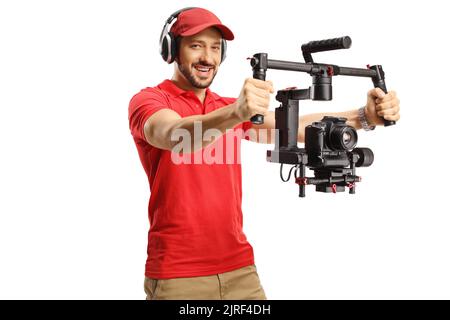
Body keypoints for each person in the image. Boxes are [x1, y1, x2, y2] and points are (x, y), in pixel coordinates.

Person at [128, 7, 400, 300]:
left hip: (240, 269)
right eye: (196, 46)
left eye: (215, 48)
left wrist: (364, 117)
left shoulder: (228, 107)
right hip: (178, 275)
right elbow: (172, 135)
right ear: (171, 50)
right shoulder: (149, 101)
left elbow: (294, 127)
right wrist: (235, 112)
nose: (207, 57)